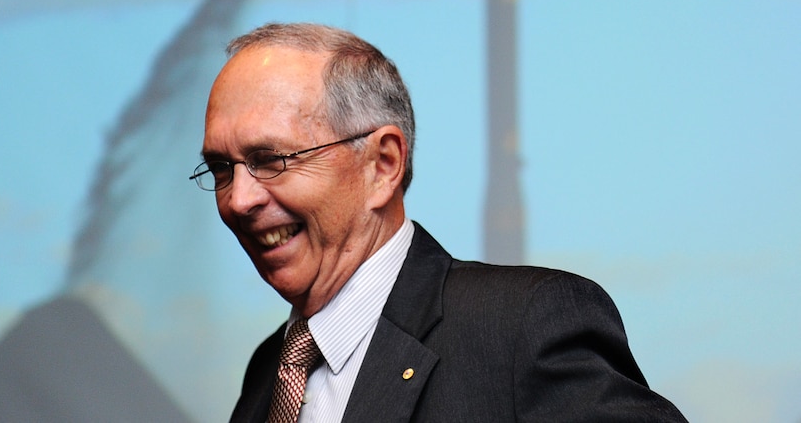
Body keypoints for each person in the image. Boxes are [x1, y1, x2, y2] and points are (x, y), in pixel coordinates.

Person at [191, 22, 687, 422]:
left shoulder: (519, 329)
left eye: (271, 159)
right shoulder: (270, 370)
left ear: (382, 165)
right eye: (220, 169)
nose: (238, 200)